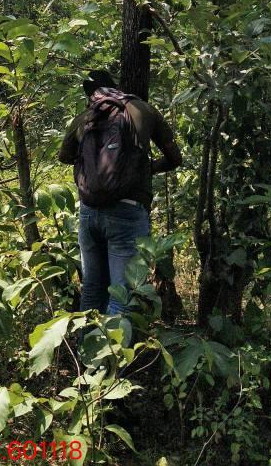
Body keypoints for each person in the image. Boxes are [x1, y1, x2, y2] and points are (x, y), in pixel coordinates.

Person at [58, 68, 182, 316]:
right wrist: (145, 169)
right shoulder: (142, 109)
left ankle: (86, 342)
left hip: (89, 211)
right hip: (128, 209)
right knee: (122, 295)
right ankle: (115, 343)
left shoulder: (84, 118)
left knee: (92, 290)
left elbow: (64, 156)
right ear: (115, 86)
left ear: (89, 94)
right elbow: (174, 158)